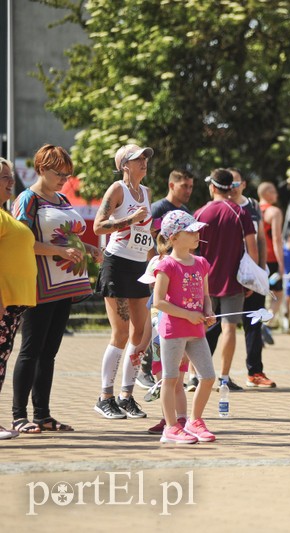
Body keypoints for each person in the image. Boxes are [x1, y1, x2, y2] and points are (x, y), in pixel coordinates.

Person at [12, 145, 101, 433]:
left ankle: (43, 415)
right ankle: (18, 416)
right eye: (58, 173)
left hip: (65, 286)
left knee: (49, 353)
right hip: (39, 285)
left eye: (67, 173)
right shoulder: (28, 199)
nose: (64, 178)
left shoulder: (61, 198)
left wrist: (86, 248)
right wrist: (57, 252)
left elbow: (68, 236)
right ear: (41, 168)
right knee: (30, 351)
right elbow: (20, 243)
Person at [93, 144, 154, 420]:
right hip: (116, 264)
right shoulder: (118, 189)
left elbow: (147, 234)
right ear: (124, 165)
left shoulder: (148, 193)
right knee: (120, 332)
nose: (143, 162)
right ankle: (104, 396)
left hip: (139, 266)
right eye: (137, 158)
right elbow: (97, 226)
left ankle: (126, 395)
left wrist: (154, 268)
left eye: (144, 158)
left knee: (139, 334)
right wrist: (128, 219)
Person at [152, 210, 217, 444]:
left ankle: (194, 421)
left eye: (196, 230)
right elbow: (159, 301)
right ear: (174, 238)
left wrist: (208, 312)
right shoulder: (167, 265)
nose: (197, 234)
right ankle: (170, 427)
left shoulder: (201, 263)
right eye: (191, 231)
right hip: (173, 331)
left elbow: (206, 296)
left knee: (208, 377)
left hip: (196, 331)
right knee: (170, 379)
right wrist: (188, 314)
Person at [194, 168, 257, 391]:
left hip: (204, 281)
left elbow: (192, 249)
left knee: (198, 328)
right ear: (231, 188)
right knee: (230, 327)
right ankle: (224, 377)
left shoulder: (200, 213)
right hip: (234, 280)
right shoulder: (241, 213)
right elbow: (252, 248)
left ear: (212, 187)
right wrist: (251, 279)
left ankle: (195, 376)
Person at [138, 168, 194, 390]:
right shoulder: (158, 209)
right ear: (172, 185)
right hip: (160, 273)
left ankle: (173, 367)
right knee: (155, 319)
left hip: (178, 275)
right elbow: (148, 243)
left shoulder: (186, 211)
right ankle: (147, 367)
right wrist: (155, 270)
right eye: (184, 186)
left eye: (191, 186)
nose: (189, 190)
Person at [227, 169, 276, 388]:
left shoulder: (253, 206)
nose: (232, 187)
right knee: (217, 325)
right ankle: (200, 373)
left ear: (243, 184)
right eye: (228, 183)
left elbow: (261, 239)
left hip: (252, 272)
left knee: (254, 322)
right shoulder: (221, 206)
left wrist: (261, 270)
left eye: (235, 183)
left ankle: (255, 372)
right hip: (228, 274)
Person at [0, 158, 36, 439]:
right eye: (3, 177)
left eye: (10, 175)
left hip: (14, 302)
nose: (10, 181)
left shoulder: (4, 215)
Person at [257, 181, 284, 342]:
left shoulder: (252, 209)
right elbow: (277, 239)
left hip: (256, 259)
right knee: (278, 296)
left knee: (259, 295)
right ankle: (265, 322)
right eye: (273, 191)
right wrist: (281, 264)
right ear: (266, 193)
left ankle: (259, 324)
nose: (276, 195)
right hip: (271, 259)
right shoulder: (274, 211)